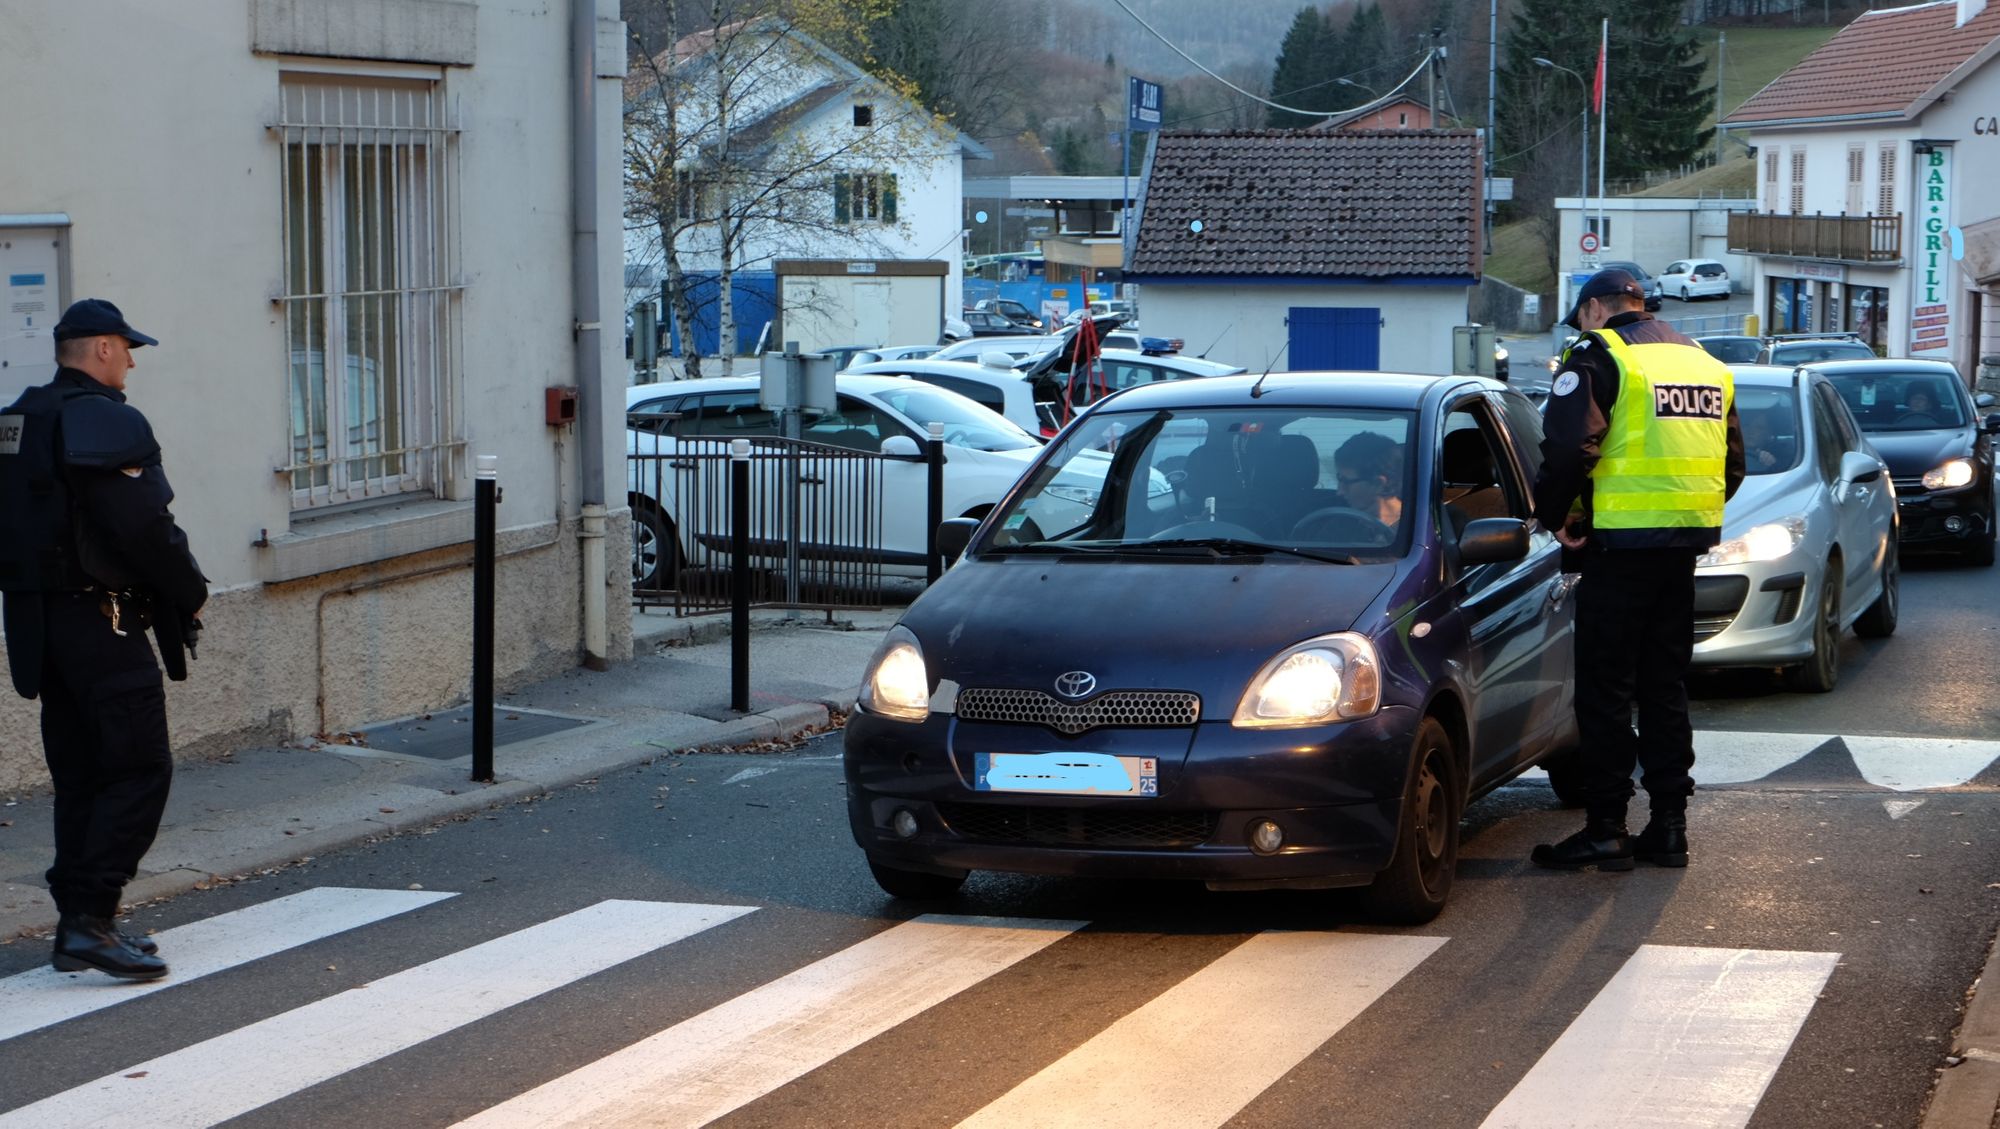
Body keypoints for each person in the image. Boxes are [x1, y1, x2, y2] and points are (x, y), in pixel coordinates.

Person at [0, 299, 207, 980]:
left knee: (83, 772)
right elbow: (146, 526)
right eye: (127, 349)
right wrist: (190, 589)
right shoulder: (104, 419)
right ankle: (90, 918)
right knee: (140, 765)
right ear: (102, 350)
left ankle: (78, 922)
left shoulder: (17, 419)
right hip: (100, 621)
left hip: (39, 626)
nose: (131, 364)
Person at [1529, 270, 1744, 872]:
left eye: (1582, 317)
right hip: (1681, 551)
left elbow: (1571, 449)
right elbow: (1731, 466)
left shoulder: (1600, 356)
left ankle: (1606, 829)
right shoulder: (1703, 362)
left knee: (1605, 693)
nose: (1582, 326)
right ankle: (1669, 827)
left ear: (1596, 307)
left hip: (1615, 550)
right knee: (1664, 687)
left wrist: (1557, 516)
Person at [1333, 432, 1404, 530]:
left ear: (1378, 484)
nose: (1339, 492)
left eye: (1346, 482)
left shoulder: (1421, 531)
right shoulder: (1337, 524)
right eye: (1339, 479)